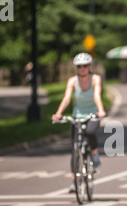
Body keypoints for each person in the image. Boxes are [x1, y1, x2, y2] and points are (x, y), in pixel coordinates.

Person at [52, 53, 106, 193]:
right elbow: (67, 98)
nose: (82, 69)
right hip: (77, 116)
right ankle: (74, 183)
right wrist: (58, 113)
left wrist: (100, 110)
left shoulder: (95, 79)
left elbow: (96, 95)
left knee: (89, 132)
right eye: (79, 66)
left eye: (85, 66)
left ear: (89, 66)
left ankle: (94, 154)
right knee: (75, 150)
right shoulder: (72, 81)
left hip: (92, 114)